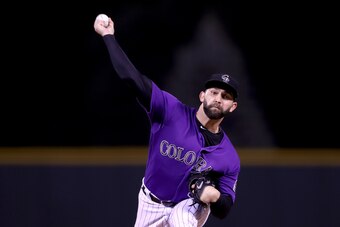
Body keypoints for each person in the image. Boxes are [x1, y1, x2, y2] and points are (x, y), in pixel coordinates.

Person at [93, 14, 240, 227]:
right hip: (150, 203)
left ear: (233, 106)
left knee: (182, 219)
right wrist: (108, 36)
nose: (218, 99)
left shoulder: (229, 157)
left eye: (226, 97)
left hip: (188, 205)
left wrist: (213, 196)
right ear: (202, 95)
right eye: (214, 92)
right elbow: (132, 78)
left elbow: (225, 207)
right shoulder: (171, 111)